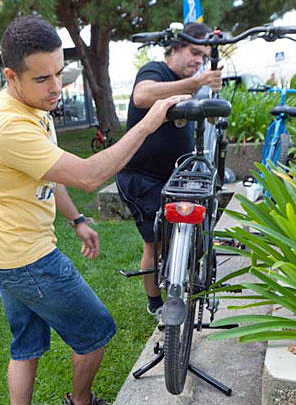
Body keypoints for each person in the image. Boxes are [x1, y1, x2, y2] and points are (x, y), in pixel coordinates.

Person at [0, 14, 185, 405]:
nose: (56, 88)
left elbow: (50, 173)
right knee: (96, 332)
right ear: (11, 76)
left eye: (59, 73)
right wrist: (147, 124)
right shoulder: (8, 126)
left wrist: (75, 220)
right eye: (42, 79)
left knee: (26, 343)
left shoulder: (32, 106)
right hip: (27, 259)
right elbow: (89, 175)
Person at [115, 22, 222, 318]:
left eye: (203, 57)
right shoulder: (156, 71)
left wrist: (208, 95)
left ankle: (179, 280)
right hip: (142, 178)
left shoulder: (189, 83)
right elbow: (142, 95)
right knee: (156, 243)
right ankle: (155, 303)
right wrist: (195, 83)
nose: (199, 60)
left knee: (188, 234)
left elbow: (211, 122)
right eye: (194, 52)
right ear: (176, 47)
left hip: (178, 177)